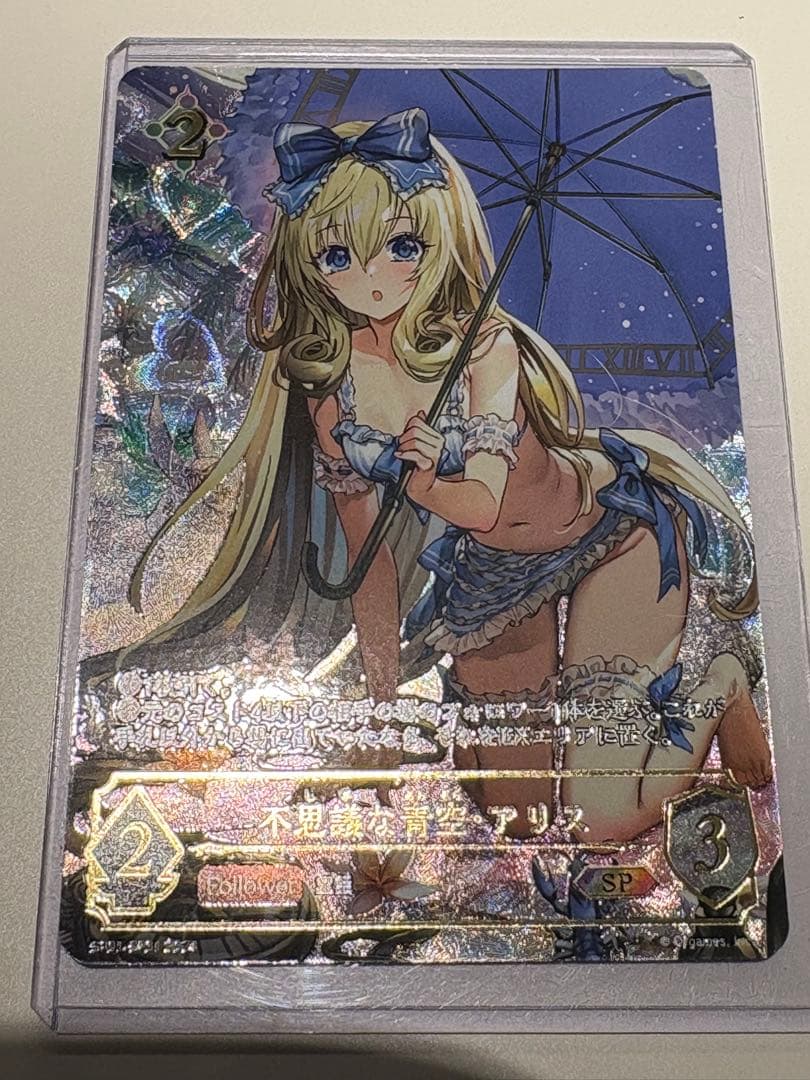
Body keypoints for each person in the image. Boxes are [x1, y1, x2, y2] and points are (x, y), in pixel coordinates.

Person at [105, 107, 771, 841]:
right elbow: (372, 563)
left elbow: (481, 502)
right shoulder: (332, 390)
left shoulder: (485, 347)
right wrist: (382, 705)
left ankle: (719, 685)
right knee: (518, 818)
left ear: (440, 239)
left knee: (599, 820)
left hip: (607, 537)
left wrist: (422, 482)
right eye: (337, 255)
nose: (371, 279)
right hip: (490, 574)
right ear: (306, 259)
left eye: (401, 247)